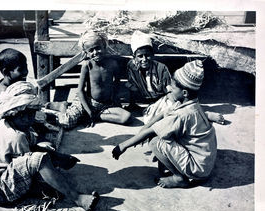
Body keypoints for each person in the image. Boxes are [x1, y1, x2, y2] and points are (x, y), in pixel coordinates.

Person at [0, 81, 99, 211]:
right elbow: (32, 165)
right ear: (18, 114)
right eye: (29, 114)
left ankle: (53, 185)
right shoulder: (16, 137)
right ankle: (77, 198)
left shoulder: (9, 124)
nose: (32, 118)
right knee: (40, 161)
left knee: (45, 154)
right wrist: (52, 182)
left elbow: (31, 148)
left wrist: (57, 157)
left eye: (32, 113)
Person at [112, 60, 217, 188]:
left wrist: (123, 145)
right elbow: (161, 115)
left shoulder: (183, 114)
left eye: (173, 88)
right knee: (165, 132)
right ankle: (172, 163)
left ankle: (180, 178)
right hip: (204, 161)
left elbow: (151, 131)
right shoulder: (190, 104)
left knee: (155, 141)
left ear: (184, 93)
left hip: (197, 169)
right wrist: (144, 128)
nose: (169, 90)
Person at [125, 30, 224, 125]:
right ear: (134, 57)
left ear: (153, 54)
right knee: (158, 117)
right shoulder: (132, 66)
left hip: (166, 99)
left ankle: (204, 115)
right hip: (149, 103)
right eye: (140, 56)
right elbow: (132, 85)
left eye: (147, 55)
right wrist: (132, 105)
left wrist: (166, 105)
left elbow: (171, 93)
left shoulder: (161, 68)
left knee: (171, 114)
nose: (144, 59)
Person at [45, 31, 131, 129]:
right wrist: (88, 111)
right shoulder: (87, 65)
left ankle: (97, 116)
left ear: (104, 46)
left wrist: (115, 99)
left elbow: (116, 83)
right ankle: (62, 106)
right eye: (91, 50)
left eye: (98, 48)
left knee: (126, 117)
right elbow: (80, 91)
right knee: (66, 123)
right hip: (88, 101)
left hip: (105, 104)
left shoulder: (112, 64)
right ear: (86, 52)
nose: (95, 52)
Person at [0, 48, 28, 135]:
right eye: (21, 69)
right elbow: (12, 126)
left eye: (26, 67)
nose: (26, 72)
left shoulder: (12, 87)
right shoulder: (4, 93)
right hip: (3, 137)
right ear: (6, 72)